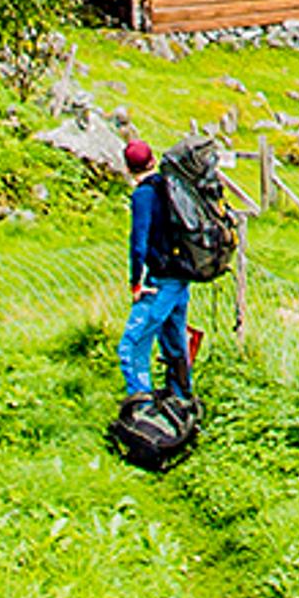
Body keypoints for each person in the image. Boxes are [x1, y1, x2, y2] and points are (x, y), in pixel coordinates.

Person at [118, 137, 193, 404]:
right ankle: (183, 399)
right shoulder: (172, 185)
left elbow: (138, 242)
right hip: (181, 274)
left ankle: (143, 408)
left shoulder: (144, 195)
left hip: (159, 279)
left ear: (128, 169)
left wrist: (136, 282)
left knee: (131, 345)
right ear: (152, 161)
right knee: (174, 339)